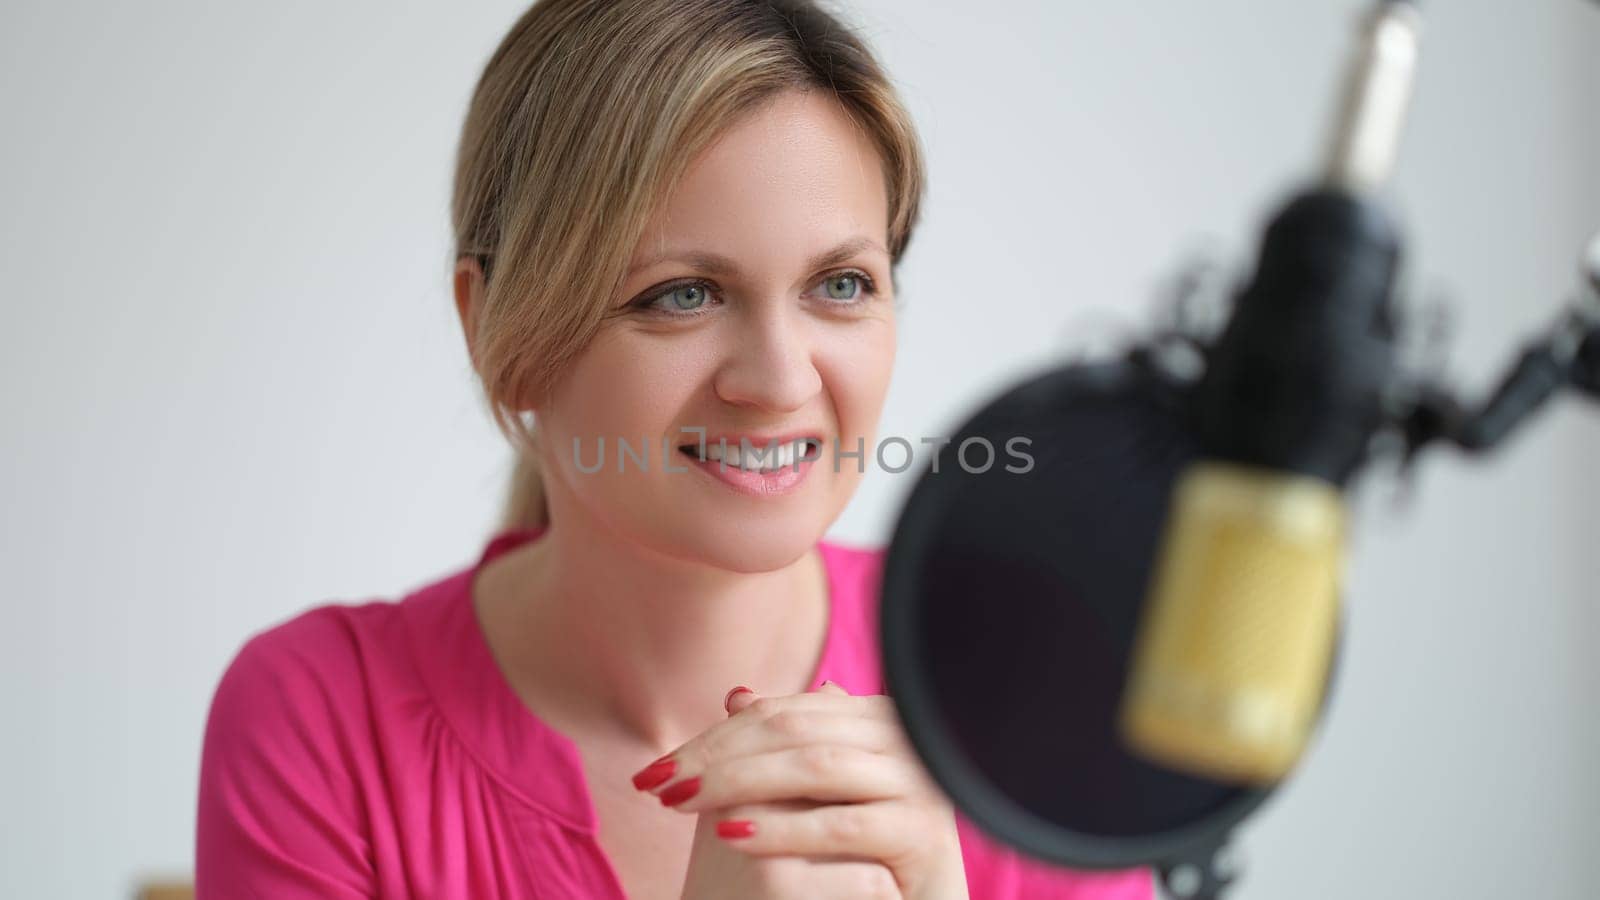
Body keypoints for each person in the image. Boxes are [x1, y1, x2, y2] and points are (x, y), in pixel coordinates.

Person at [195, 1, 1157, 897]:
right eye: (682, 295)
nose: (781, 382)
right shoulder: (321, 719)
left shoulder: (1036, 683)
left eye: (842, 284)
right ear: (497, 334)